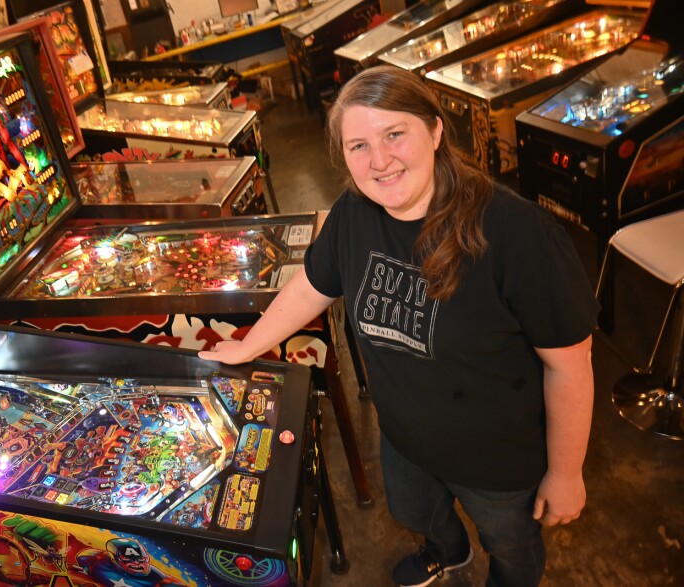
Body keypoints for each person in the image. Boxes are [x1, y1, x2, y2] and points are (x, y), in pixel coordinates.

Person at [198, 66, 598, 587]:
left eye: (394, 135)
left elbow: (570, 364)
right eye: (358, 145)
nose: (379, 161)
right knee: (417, 514)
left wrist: (566, 473)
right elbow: (309, 287)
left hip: (500, 461)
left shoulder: (516, 232)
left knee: (512, 548)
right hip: (405, 440)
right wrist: (247, 344)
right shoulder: (353, 213)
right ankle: (447, 552)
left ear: (434, 131)